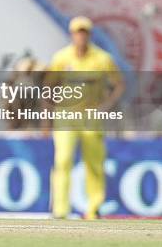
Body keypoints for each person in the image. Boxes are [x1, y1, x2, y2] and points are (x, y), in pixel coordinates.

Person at [47, 16, 124, 220]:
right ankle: (60, 210)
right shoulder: (61, 58)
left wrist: (106, 106)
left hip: (91, 116)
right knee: (63, 160)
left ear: (89, 34)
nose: (81, 36)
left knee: (94, 163)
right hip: (65, 116)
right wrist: (49, 112)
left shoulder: (102, 59)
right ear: (72, 34)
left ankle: (94, 208)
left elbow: (119, 84)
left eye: (84, 32)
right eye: (77, 32)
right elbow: (48, 86)